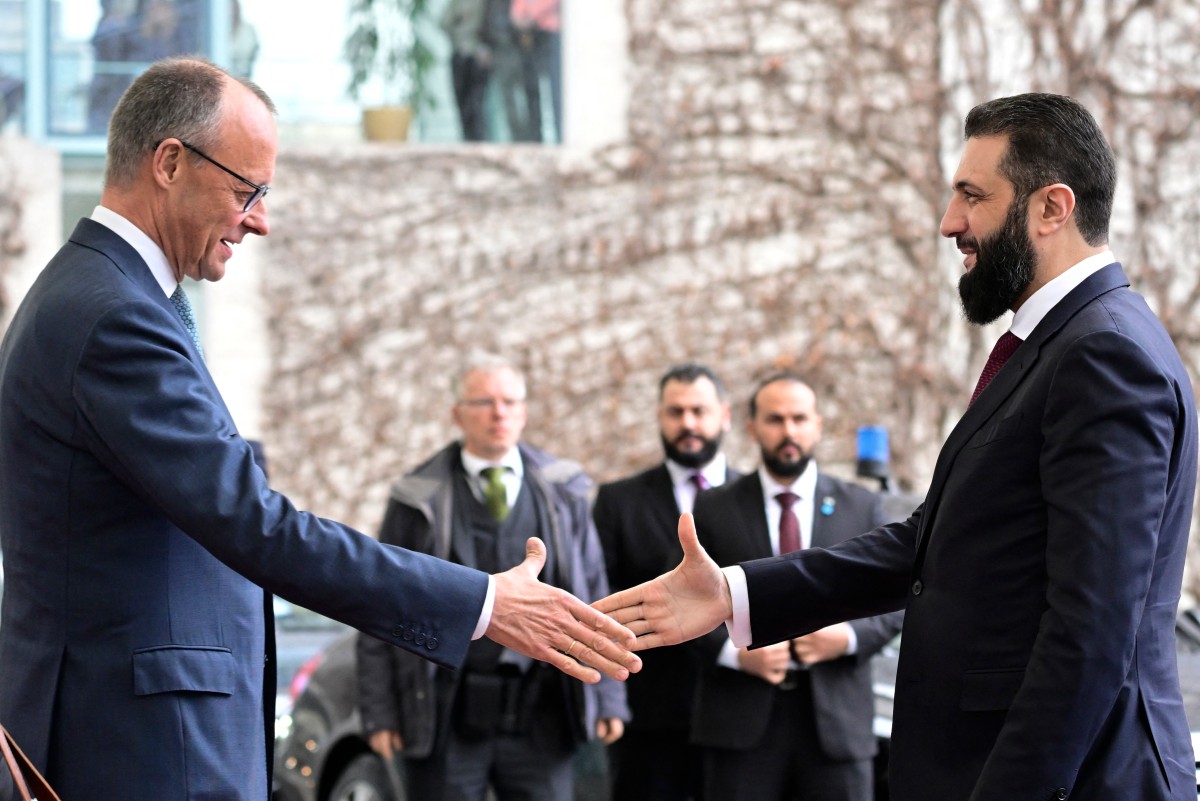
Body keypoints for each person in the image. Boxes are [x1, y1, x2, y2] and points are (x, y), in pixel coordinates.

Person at [0, 57, 638, 801]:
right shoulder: (115, 316)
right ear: (169, 161)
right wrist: (483, 603)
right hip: (141, 747)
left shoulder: (106, 296)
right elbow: (255, 524)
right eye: (248, 190)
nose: (260, 219)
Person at [596, 92, 1198, 801]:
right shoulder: (1064, 345)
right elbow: (930, 544)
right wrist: (735, 590)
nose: (950, 223)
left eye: (973, 196)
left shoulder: (1103, 356)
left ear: (1052, 207)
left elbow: (1093, 634)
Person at [357, 355, 628, 801]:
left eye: (509, 401)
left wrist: (609, 696)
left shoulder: (566, 491)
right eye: (483, 401)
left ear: (523, 412)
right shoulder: (415, 498)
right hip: (445, 710)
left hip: (543, 709)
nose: (498, 413)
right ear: (457, 414)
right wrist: (381, 713)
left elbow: (595, 590)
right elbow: (381, 605)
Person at [690, 372, 902, 801]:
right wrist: (734, 654)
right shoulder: (713, 508)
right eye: (775, 419)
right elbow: (687, 601)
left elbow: (899, 596)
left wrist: (845, 638)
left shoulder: (861, 506)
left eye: (800, 419)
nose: (789, 431)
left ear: (818, 425)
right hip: (739, 725)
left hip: (837, 726)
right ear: (751, 428)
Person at [592, 362, 737, 801]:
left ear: (724, 415)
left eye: (699, 410)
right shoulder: (617, 502)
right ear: (659, 417)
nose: (687, 423)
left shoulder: (756, 496)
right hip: (648, 718)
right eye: (675, 412)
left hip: (739, 716)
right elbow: (600, 600)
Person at [441, 0, 493, 141]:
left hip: (477, 57)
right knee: (462, 104)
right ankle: (468, 140)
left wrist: (484, 47)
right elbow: (444, 22)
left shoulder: (485, 4)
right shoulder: (456, 4)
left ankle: (479, 141)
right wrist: (459, 17)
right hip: (459, 55)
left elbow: (489, 26)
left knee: (476, 105)